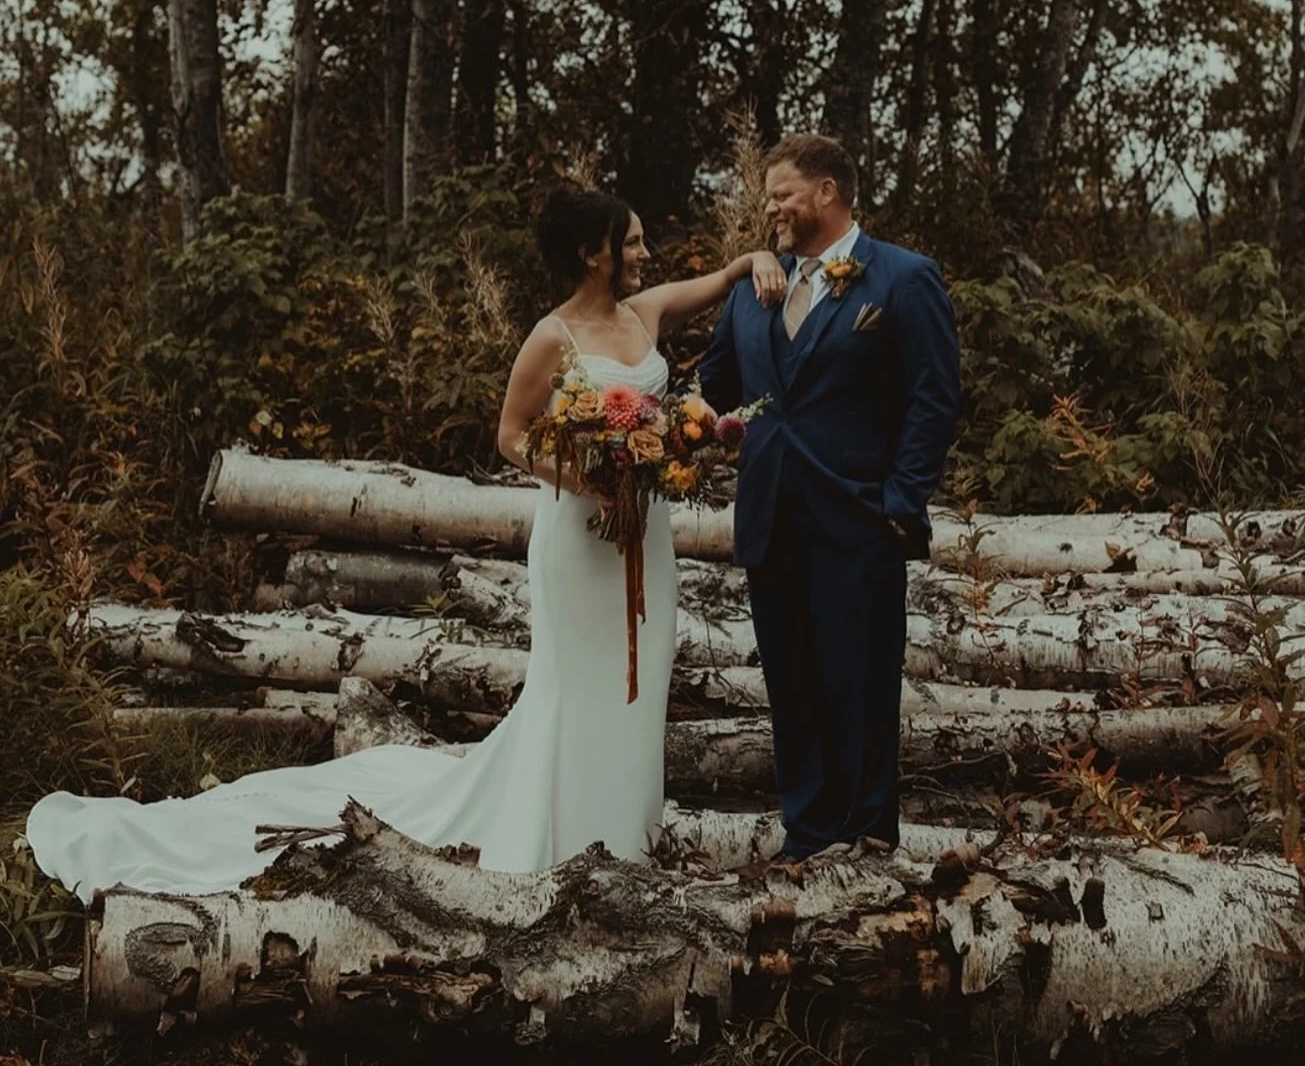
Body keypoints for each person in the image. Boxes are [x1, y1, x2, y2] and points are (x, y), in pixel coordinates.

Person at [25, 187, 785, 899]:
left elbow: (720, 278)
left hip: (642, 537)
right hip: (579, 536)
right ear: (595, 253)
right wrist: (582, 478)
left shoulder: (644, 315)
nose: (647, 256)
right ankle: (563, 842)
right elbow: (512, 436)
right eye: (635, 243)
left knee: (640, 680)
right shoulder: (550, 337)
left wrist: (755, 259)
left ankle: (626, 839)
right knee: (576, 689)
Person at [698, 133, 961, 862]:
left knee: (860, 685)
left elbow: (933, 399)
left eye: (781, 192)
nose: (770, 207)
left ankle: (868, 838)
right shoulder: (757, 287)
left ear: (828, 192)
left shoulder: (901, 279)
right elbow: (714, 382)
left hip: (859, 520)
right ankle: (806, 836)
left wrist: (898, 502)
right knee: (792, 686)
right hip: (770, 517)